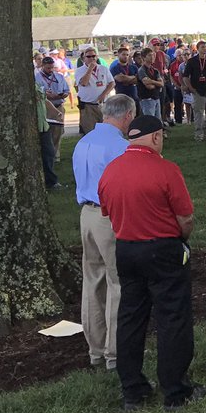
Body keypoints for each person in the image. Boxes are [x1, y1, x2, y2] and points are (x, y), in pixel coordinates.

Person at [99, 115, 205, 412]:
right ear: (156, 137)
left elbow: (108, 212)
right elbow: (185, 218)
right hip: (162, 249)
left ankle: (133, 390)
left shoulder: (110, 171)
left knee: (131, 317)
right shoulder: (166, 170)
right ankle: (175, 390)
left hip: (126, 249)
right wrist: (181, 239)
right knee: (172, 317)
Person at [71, 93, 135, 372]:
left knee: (93, 280)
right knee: (118, 282)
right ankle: (116, 352)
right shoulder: (120, 147)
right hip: (109, 215)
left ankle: (95, 349)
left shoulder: (83, 142)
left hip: (86, 214)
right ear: (128, 116)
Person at [36, 55, 70, 162]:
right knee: (47, 132)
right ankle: (46, 155)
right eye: (48, 68)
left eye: (52, 68)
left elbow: (67, 91)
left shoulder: (59, 77)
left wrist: (61, 95)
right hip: (46, 108)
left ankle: (56, 155)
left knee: (58, 131)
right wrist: (46, 95)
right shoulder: (37, 77)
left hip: (58, 106)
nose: (50, 70)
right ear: (42, 66)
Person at [74, 46, 114, 135]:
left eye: (94, 56)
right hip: (88, 106)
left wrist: (104, 94)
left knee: (105, 132)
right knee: (90, 132)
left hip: (103, 105)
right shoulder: (80, 71)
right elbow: (84, 83)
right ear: (83, 58)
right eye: (89, 57)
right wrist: (90, 69)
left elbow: (112, 83)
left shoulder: (103, 68)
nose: (92, 58)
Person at [183, 39, 206, 142]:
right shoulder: (192, 61)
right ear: (197, 49)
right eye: (202, 47)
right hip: (198, 91)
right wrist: (191, 88)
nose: (205, 49)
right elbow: (185, 76)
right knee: (199, 113)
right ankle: (199, 135)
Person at [135, 47, 165, 118]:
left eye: (153, 55)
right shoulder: (141, 70)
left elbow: (162, 84)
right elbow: (148, 85)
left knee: (158, 120)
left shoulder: (155, 70)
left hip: (156, 97)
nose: (152, 57)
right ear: (144, 58)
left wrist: (152, 81)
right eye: (149, 55)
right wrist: (157, 84)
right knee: (149, 120)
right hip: (147, 99)